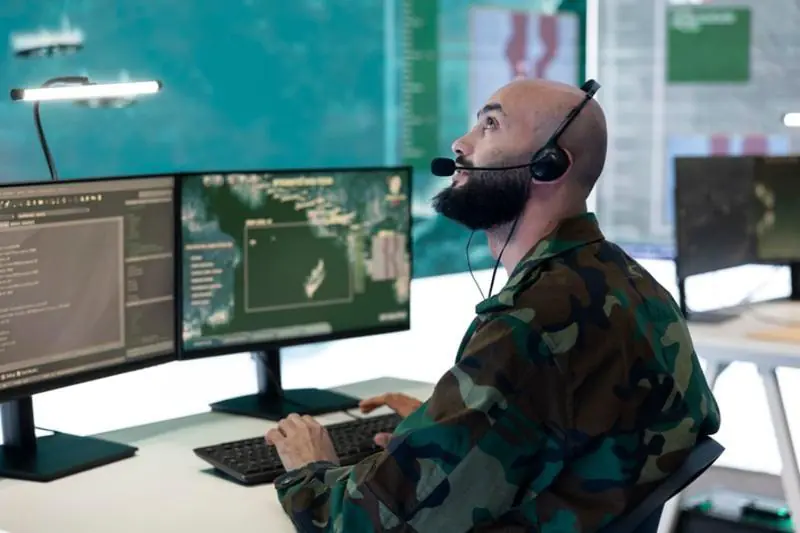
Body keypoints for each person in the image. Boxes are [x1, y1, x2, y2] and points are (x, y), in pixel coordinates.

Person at [264, 79, 721, 532]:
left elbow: (359, 522)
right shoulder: (631, 283)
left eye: (491, 125)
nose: (460, 144)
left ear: (549, 164)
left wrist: (310, 469)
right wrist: (452, 430)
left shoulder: (531, 325)